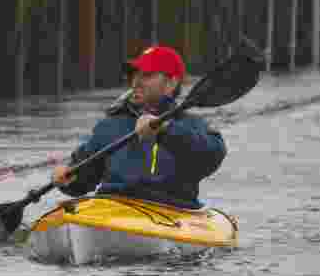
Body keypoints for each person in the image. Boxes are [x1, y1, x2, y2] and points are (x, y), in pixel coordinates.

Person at [52, 45, 227, 209]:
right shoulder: (111, 124)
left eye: (147, 75)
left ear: (171, 83)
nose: (136, 82)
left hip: (170, 210)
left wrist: (165, 131)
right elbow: (83, 180)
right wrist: (67, 178)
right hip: (111, 207)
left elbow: (212, 155)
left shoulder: (190, 125)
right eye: (134, 75)